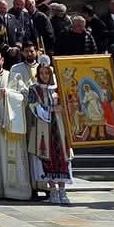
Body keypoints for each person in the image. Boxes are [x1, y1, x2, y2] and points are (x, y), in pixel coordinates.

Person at [0, 50, 32, 200]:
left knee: (15, 157)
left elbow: (25, 96)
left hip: (12, 125)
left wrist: (9, 94)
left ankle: (17, 191)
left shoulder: (14, 76)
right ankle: (1, 190)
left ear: (2, 60)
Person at [28, 60, 71, 204]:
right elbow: (33, 106)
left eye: (47, 73)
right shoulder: (34, 89)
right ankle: (52, 190)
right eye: (41, 73)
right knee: (47, 156)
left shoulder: (59, 88)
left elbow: (69, 104)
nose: (44, 75)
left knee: (63, 157)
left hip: (60, 127)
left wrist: (63, 107)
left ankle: (62, 191)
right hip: (43, 126)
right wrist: (51, 110)